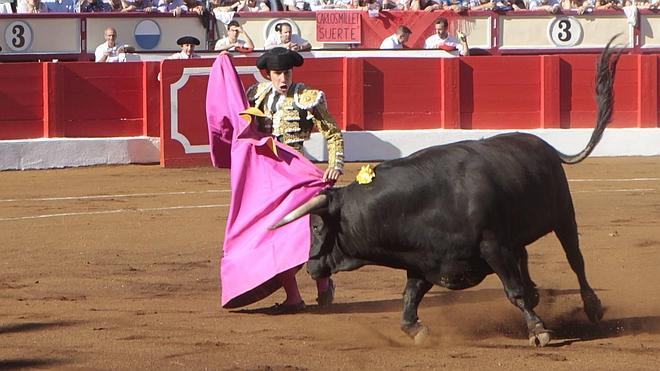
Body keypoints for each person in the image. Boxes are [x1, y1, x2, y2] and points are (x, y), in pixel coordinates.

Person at [242, 47, 344, 313]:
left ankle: (323, 286)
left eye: (286, 72)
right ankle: (293, 297)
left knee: (311, 235)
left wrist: (335, 165)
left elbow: (332, 132)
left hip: (299, 175)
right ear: (267, 74)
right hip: (270, 177)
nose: (283, 79)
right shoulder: (257, 96)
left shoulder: (307, 97)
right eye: (277, 73)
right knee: (276, 235)